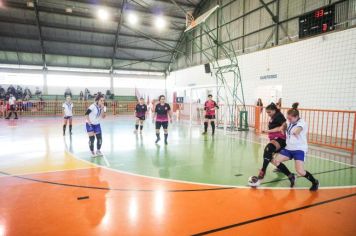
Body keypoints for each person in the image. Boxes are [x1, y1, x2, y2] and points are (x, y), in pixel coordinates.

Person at [272, 103, 319, 191]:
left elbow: (299, 129)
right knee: (275, 160)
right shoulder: (289, 121)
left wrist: (296, 132)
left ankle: (315, 182)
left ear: (296, 117)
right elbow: (284, 125)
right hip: (289, 148)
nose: (288, 120)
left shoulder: (302, 123)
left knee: (300, 171)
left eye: (290, 118)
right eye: (288, 118)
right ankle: (291, 176)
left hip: (299, 149)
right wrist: (282, 128)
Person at [256, 103, 295, 186]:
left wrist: (282, 127)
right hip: (274, 138)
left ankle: (263, 172)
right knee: (271, 159)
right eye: (267, 112)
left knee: (268, 149)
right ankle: (290, 175)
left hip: (281, 139)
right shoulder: (274, 116)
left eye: (269, 112)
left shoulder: (278, 115)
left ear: (274, 110)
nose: (268, 114)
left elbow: (284, 124)